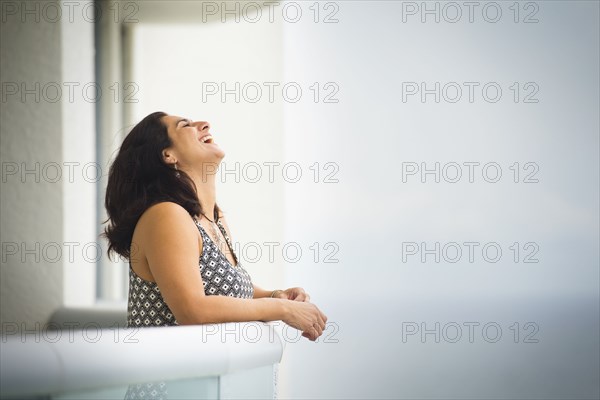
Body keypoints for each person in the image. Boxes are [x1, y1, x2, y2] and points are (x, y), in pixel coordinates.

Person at [104, 111, 327, 342]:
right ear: (168, 154)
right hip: (169, 376)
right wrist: (283, 310)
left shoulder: (214, 218)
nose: (204, 124)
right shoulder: (166, 215)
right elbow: (193, 310)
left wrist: (276, 296)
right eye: (185, 125)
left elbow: (226, 291)